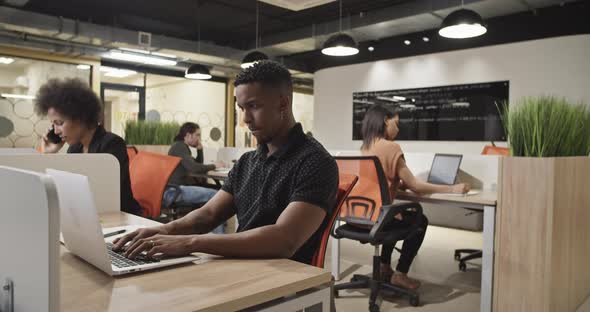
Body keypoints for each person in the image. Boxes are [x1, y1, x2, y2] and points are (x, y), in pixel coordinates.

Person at [113, 60, 339, 265]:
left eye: (253, 106)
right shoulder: (247, 162)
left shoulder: (316, 162)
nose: (245, 119)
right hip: (240, 265)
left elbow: (284, 239)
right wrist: (162, 230)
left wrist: (191, 243)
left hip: (282, 279)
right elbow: (208, 215)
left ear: (283, 104)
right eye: (242, 108)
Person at [360, 104, 470, 289]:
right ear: (386, 120)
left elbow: (380, 179)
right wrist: (452, 189)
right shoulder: (391, 147)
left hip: (364, 215)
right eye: (396, 123)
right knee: (419, 220)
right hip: (380, 218)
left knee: (395, 214)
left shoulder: (366, 146)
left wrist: (398, 184)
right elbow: (415, 185)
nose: (398, 128)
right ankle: (400, 274)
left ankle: (384, 267)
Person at [34, 78, 142, 216]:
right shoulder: (75, 149)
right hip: (88, 215)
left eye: (59, 123)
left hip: (120, 216)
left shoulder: (112, 144)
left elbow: (102, 194)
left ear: (80, 118)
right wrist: (48, 154)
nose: (55, 131)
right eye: (53, 125)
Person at [165, 122, 224, 233]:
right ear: (188, 135)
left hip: (178, 188)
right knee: (216, 195)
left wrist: (199, 150)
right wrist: (215, 165)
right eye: (197, 135)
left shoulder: (181, 147)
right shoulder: (179, 147)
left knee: (218, 191)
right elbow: (194, 168)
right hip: (175, 190)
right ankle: (219, 237)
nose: (199, 138)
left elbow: (196, 164)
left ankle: (216, 231)